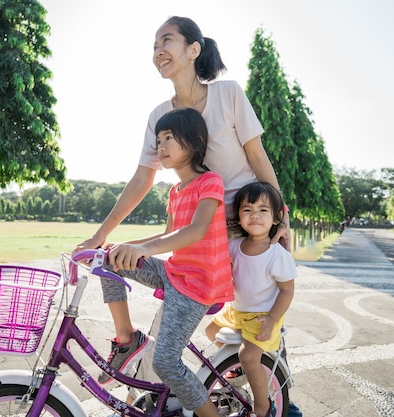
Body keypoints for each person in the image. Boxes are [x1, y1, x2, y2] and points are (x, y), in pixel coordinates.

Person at [74, 14, 290, 403]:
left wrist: (279, 219)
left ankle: (279, 404)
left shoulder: (228, 94)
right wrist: (101, 235)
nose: (158, 51)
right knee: (169, 331)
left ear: (194, 49)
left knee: (262, 318)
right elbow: (142, 179)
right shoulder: (162, 118)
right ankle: (161, 398)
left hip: (246, 227)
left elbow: (257, 157)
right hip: (198, 236)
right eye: (154, 46)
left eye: (166, 41)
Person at [97, 107, 233, 417]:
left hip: (197, 286)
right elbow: (170, 234)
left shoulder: (209, 182)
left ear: (194, 141)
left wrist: (143, 247)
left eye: (169, 138)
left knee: (165, 362)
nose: (161, 146)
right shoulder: (175, 191)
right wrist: (125, 246)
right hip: (173, 273)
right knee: (108, 260)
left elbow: (196, 231)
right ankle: (127, 339)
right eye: (158, 139)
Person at [205, 182, 297, 417]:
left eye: (263, 210)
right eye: (247, 210)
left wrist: (272, 318)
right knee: (210, 331)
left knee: (248, 355)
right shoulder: (235, 245)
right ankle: (240, 369)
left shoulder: (277, 254)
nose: (255, 215)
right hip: (236, 310)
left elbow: (287, 290)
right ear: (238, 216)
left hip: (262, 315)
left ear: (277, 218)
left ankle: (262, 404)